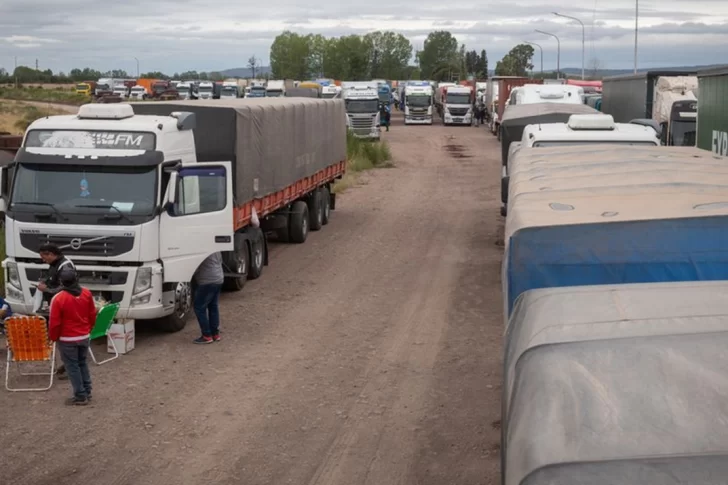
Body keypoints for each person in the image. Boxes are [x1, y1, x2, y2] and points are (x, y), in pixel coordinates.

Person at [49, 268, 97, 406]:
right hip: (84, 336)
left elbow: (54, 323)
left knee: (72, 367)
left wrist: (53, 337)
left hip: (67, 339)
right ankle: (87, 390)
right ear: (76, 278)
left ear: (61, 281)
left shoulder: (58, 298)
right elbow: (92, 314)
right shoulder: (86, 293)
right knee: (82, 363)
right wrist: (89, 328)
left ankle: (80, 395)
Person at [192, 252, 224, 344]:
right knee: (213, 306)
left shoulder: (201, 248)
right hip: (219, 278)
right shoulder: (215, 248)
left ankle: (206, 335)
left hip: (207, 281)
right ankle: (215, 334)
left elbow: (194, 266)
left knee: (199, 307)